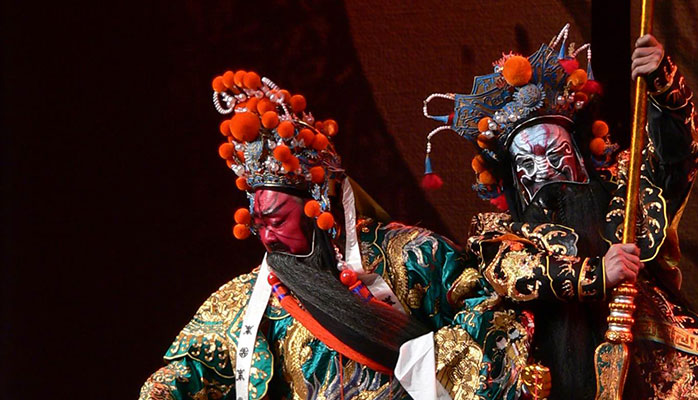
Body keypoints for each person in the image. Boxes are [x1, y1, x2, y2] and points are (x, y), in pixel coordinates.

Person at [420, 24, 698, 399]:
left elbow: (678, 160)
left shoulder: (624, 192)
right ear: (512, 181)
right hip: (557, 372)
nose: (545, 170)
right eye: (527, 165)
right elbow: (516, 271)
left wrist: (663, 85)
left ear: (582, 156)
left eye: (555, 152)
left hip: (662, 363)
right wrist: (596, 274)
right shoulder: (499, 232)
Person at [140, 71, 528, 400]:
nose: (267, 239)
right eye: (258, 225)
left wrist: (419, 368)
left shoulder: (411, 256)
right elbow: (195, 368)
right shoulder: (249, 300)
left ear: (320, 205)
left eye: (276, 220)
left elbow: (488, 315)